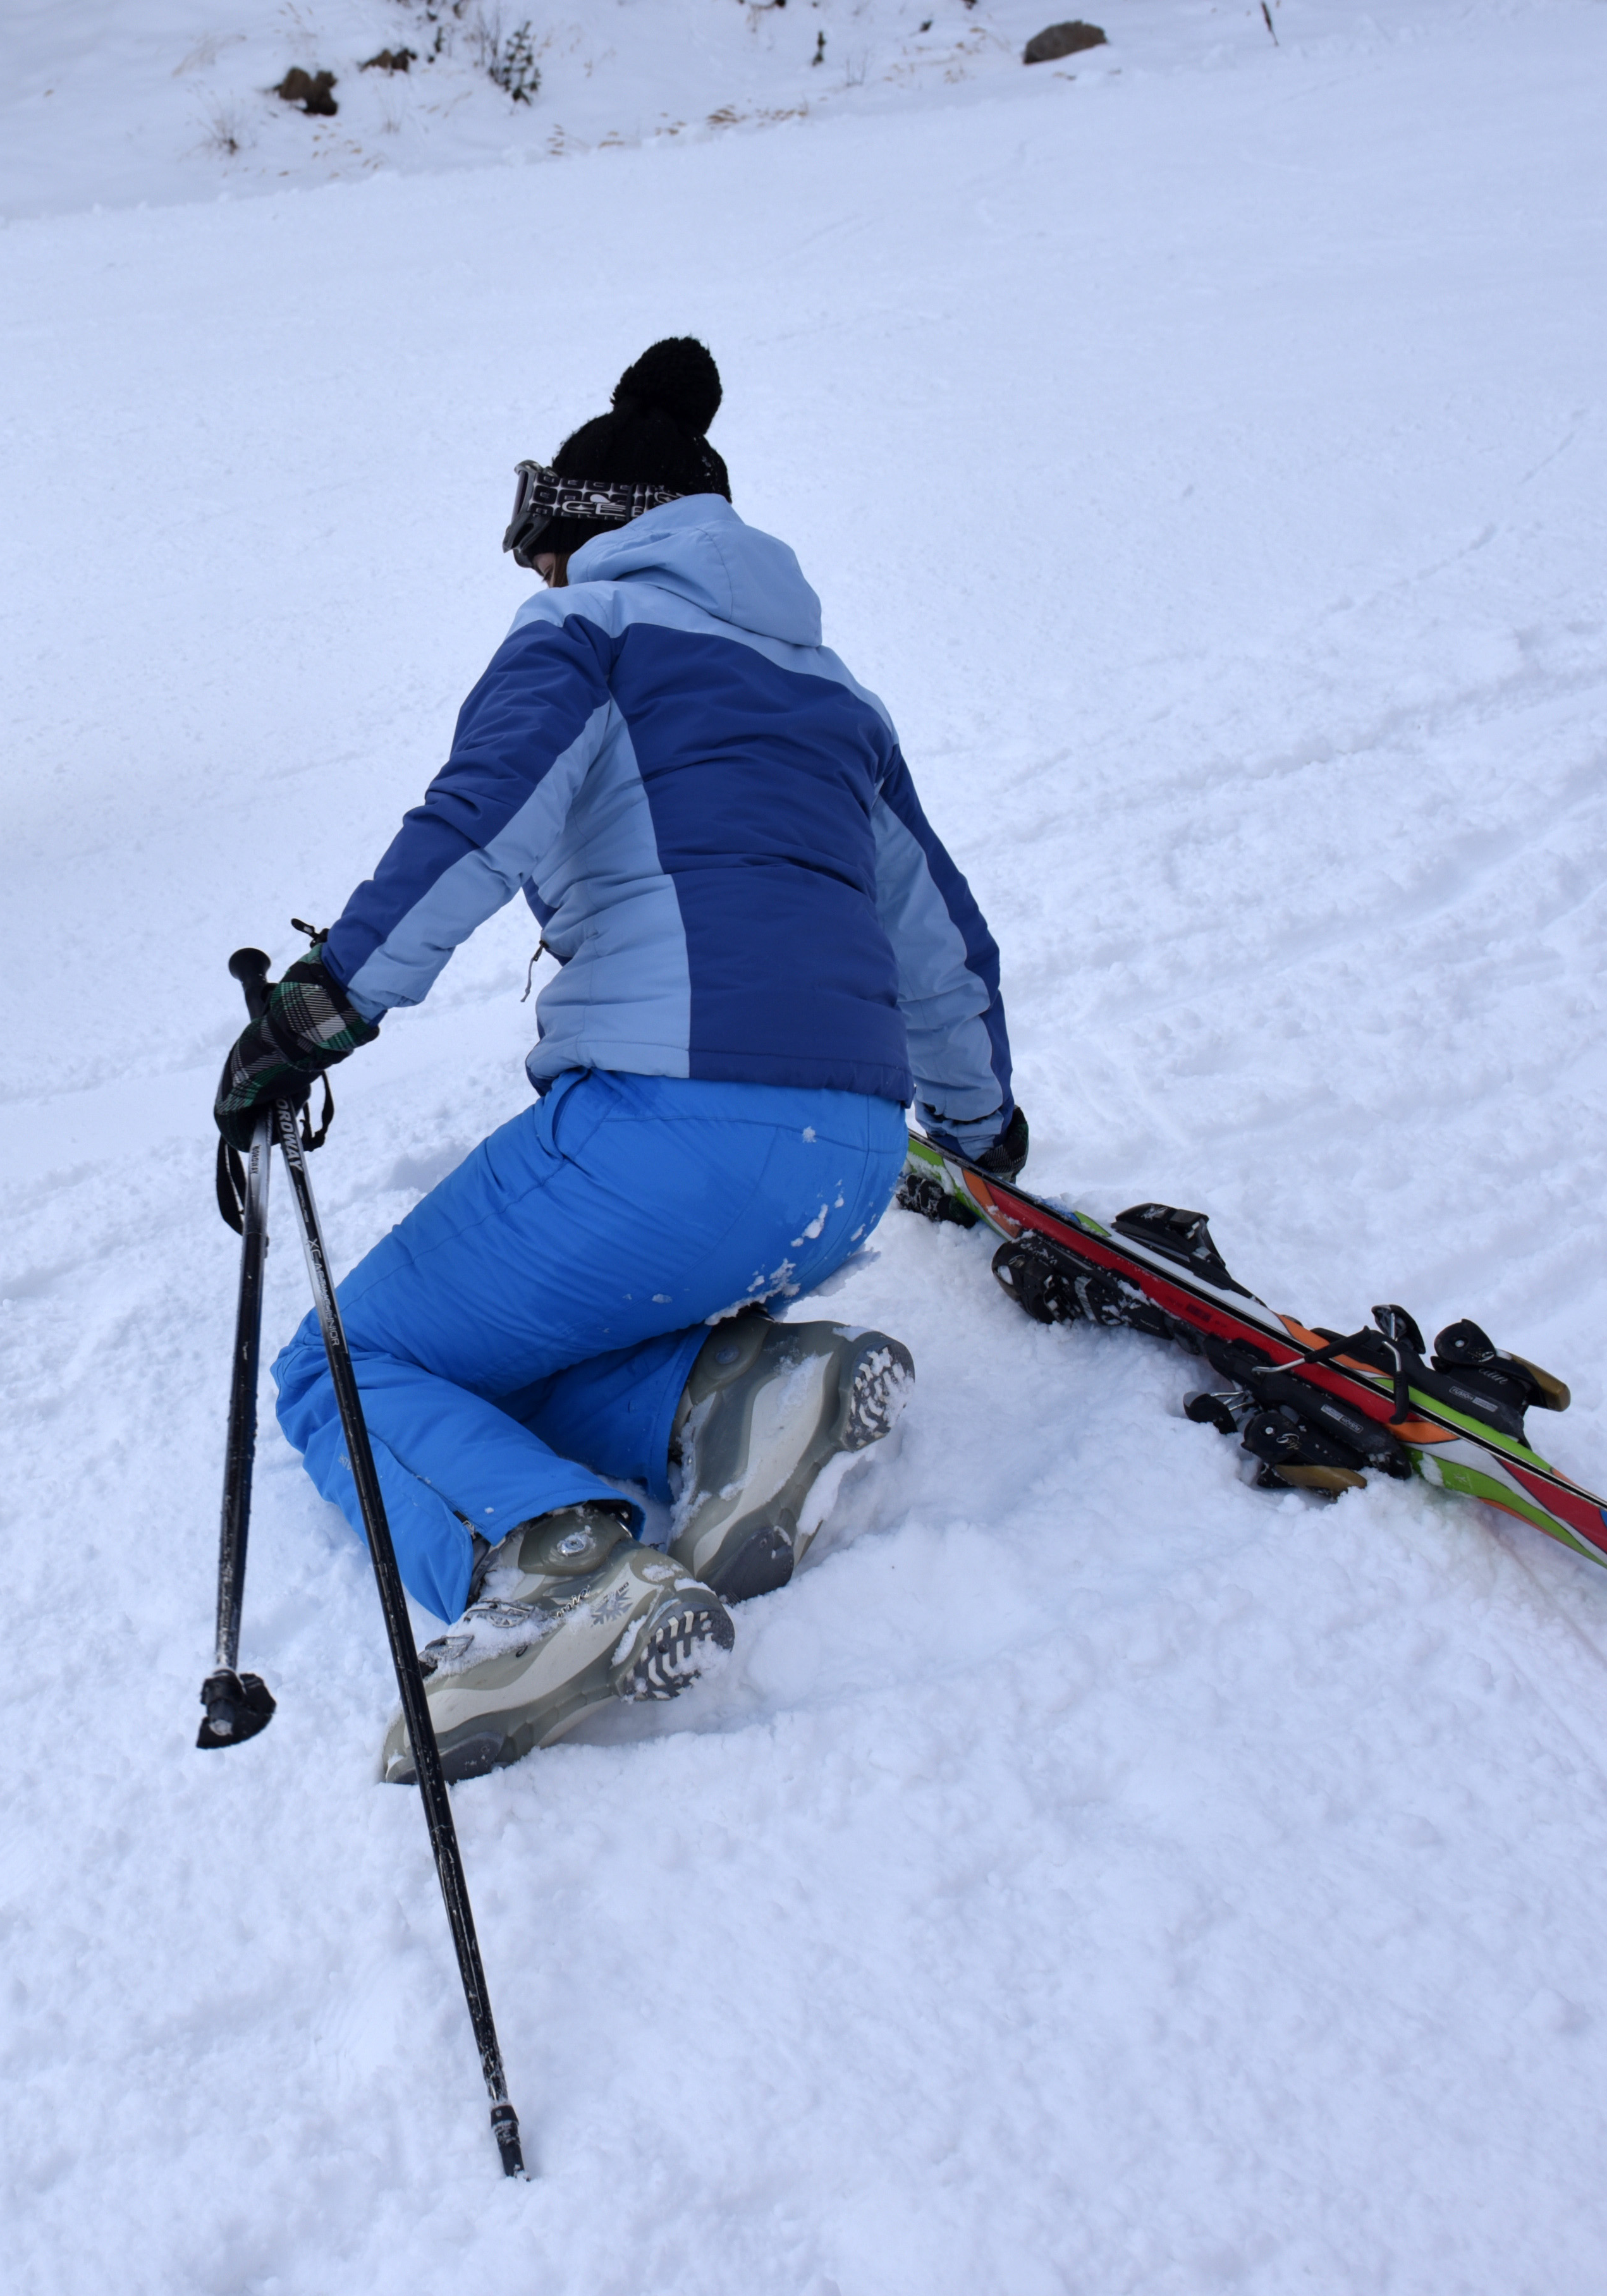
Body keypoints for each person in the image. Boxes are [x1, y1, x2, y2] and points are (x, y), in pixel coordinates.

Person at [214, 338, 1025, 1783]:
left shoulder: (585, 639)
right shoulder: (838, 698)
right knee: (509, 1351)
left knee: (350, 1362)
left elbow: (474, 825)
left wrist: (315, 1013)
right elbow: (939, 938)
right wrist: (973, 1127)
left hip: (668, 1135)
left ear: (593, 530)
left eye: (544, 555)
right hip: (842, 1166)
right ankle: (749, 1395)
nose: (533, 585)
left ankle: (550, 1572)